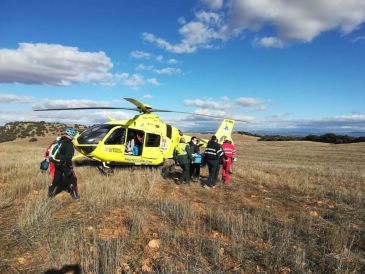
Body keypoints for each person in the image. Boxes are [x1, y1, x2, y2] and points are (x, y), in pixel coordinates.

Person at [48, 127, 79, 199]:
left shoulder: (60, 140)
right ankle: (75, 196)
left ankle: (50, 195)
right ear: (71, 135)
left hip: (56, 163)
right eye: (74, 136)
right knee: (72, 179)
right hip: (64, 164)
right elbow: (68, 158)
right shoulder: (69, 144)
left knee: (56, 180)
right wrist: (70, 166)